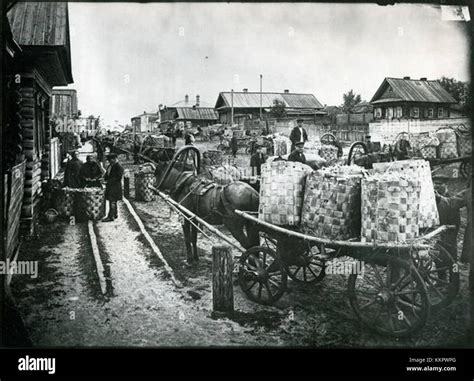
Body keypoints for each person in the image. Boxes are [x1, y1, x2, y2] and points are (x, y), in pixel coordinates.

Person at [103, 153, 124, 222]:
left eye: (110, 160)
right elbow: (107, 174)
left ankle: (110, 216)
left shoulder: (119, 167)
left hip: (115, 187)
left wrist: (107, 182)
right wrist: (104, 178)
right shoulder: (110, 166)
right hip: (110, 186)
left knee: (112, 201)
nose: (109, 161)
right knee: (112, 201)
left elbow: (117, 178)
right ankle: (115, 214)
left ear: (114, 159)